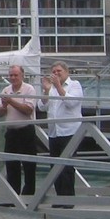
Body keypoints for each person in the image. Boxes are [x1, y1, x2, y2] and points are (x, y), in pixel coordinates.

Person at [38, 61, 84, 207]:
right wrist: (46, 90)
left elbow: (72, 103)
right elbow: (42, 106)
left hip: (69, 131)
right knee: (55, 166)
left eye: (59, 71)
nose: (56, 74)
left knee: (67, 167)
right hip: (54, 132)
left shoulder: (74, 85)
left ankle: (68, 200)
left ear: (66, 72)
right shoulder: (51, 88)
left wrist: (58, 87)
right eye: (54, 72)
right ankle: (59, 198)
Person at [0, 64, 38, 196]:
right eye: (11, 75)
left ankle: (29, 196)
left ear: (22, 76)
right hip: (11, 132)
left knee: (29, 165)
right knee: (11, 165)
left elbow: (28, 110)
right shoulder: (5, 90)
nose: (13, 78)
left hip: (26, 131)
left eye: (16, 75)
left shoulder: (29, 89)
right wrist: (4, 105)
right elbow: (0, 113)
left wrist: (11, 101)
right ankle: (13, 196)